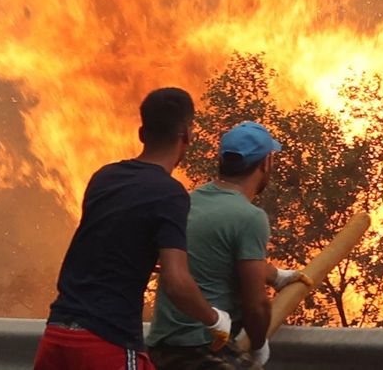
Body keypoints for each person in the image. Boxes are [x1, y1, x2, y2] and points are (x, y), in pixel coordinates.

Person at [34, 87, 232, 370]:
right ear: (188, 135)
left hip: (57, 335)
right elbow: (177, 283)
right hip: (106, 341)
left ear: (142, 133)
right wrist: (215, 319)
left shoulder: (103, 178)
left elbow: (108, 246)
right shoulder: (170, 193)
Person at [146, 121, 312, 370]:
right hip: (202, 349)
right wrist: (258, 346)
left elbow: (212, 254)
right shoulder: (249, 217)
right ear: (266, 163)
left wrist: (275, 275)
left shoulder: (189, 201)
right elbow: (256, 304)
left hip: (161, 347)